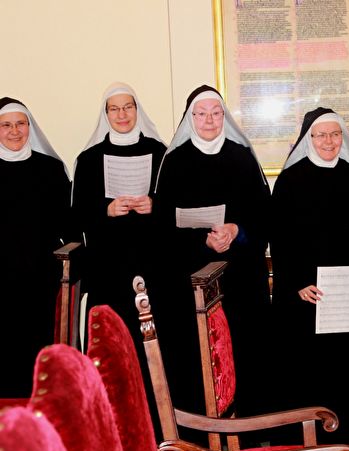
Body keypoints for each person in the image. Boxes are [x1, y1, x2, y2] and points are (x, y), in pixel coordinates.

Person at [152, 85, 271, 416]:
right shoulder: (174, 162)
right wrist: (201, 241)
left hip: (240, 277)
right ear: (190, 118)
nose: (209, 120)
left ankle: (248, 431)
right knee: (196, 355)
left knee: (243, 349)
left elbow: (265, 216)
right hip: (188, 278)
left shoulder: (243, 157)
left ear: (224, 116)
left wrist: (237, 231)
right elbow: (161, 227)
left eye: (216, 113)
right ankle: (198, 430)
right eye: (202, 114)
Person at [270, 107, 349, 444]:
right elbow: (280, 238)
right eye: (321, 135)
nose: (329, 141)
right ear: (308, 139)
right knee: (307, 366)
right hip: (307, 293)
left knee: (347, 364)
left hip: (347, 292)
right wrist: (296, 282)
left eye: (335, 134)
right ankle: (305, 438)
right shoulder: (290, 180)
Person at [71, 82, 166, 335]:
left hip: (152, 263)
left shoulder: (160, 153)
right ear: (106, 114)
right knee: (110, 339)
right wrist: (106, 210)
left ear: (137, 109)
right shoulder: (89, 159)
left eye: (127, 107)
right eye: (114, 109)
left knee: (152, 338)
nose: (122, 115)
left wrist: (155, 204)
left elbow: (177, 206)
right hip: (107, 266)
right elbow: (76, 216)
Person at [0, 97, 71, 397]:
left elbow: (69, 228)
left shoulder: (50, 169)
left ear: (30, 127)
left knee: (39, 356)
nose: (15, 131)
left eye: (21, 123)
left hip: (41, 281)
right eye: (6, 125)